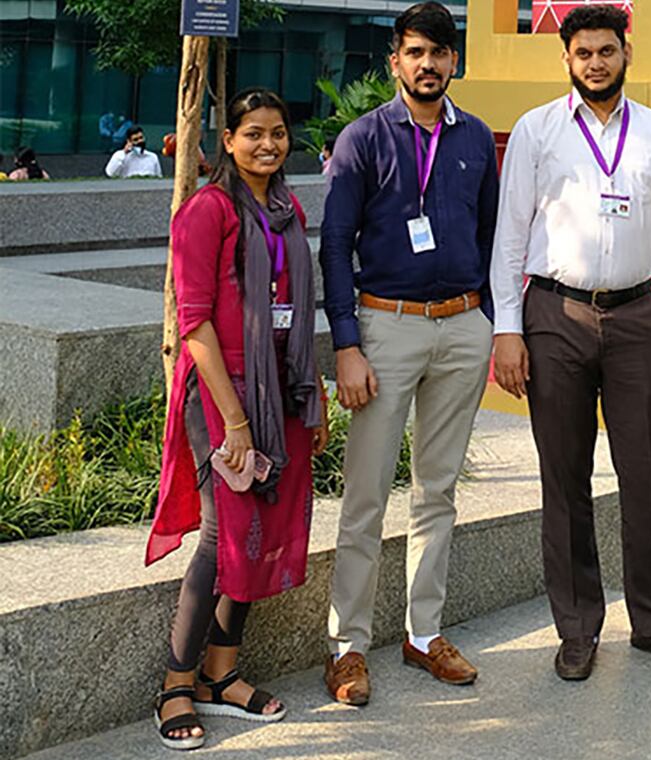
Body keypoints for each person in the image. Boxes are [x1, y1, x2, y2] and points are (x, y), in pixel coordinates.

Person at [490, 4, 651, 682]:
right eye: (583, 52)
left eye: (606, 51)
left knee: (648, 473)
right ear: (566, 58)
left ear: (626, 54)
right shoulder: (537, 131)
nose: (595, 63)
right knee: (565, 477)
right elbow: (510, 233)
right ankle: (578, 628)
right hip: (554, 314)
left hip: (638, 316)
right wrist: (506, 327)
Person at [320, 1, 499, 705]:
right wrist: (347, 343)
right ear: (394, 60)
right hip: (385, 328)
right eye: (415, 52)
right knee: (365, 495)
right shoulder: (363, 138)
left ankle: (425, 634)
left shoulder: (477, 139)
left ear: (455, 62)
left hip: (460, 327)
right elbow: (335, 244)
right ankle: (348, 645)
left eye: (440, 53)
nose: (428, 65)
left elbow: (488, 236)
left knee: (438, 492)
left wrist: (486, 316)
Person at [146, 87, 328, 751]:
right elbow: (193, 325)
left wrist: (312, 394)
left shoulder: (285, 207)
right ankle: (175, 684)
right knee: (224, 532)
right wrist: (237, 421)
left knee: (262, 524)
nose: (268, 145)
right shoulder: (207, 209)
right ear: (228, 140)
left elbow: (293, 311)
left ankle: (221, 675)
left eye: (278, 133)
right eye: (253, 133)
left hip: (279, 392)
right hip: (224, 395)